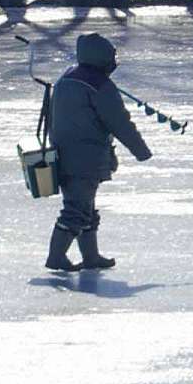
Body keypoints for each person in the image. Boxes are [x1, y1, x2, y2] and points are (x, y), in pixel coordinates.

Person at [45, 33, 152, 271]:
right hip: (86, 157)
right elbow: (119, 122)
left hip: (63, 152)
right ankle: (56, 257)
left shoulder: (68, 78)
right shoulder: (100, 85)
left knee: (86, 207)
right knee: (76, 209)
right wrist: (141, 150)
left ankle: (91, 257)